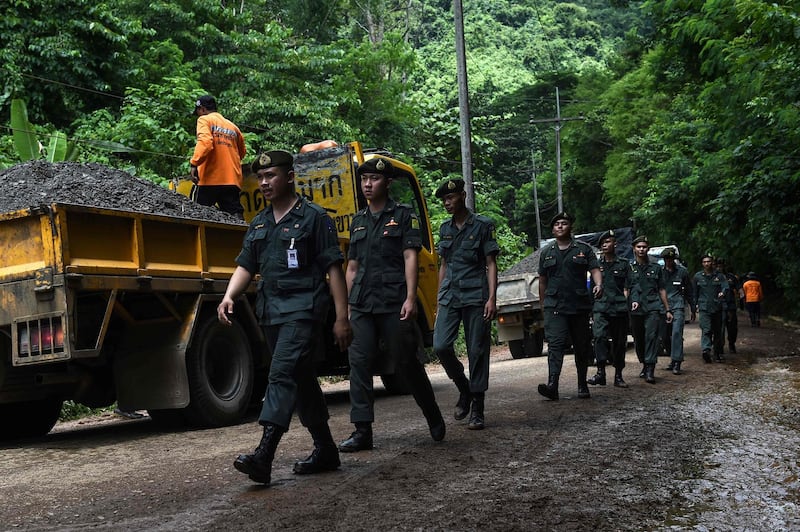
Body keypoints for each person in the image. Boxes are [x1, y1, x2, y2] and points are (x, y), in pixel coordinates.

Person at [219, 150, 352, 486]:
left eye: (271, 176)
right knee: (301, 378)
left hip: (304, 311)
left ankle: (264, 455)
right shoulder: (260, 222)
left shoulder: (314, 218)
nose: (264, 183)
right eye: (261, 178)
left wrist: (341, 317)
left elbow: (333, 269)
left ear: (290, 177)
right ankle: (325, 449)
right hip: (271, 313)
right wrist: (229, 295)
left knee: (280, 375)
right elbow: (246, 265)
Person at [338, 157, 445, 452]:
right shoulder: (358, 221)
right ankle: (362, 431)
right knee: (358, 362)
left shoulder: (402, 214)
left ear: (387, 183)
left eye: (373, 179)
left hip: (393, 301)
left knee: (405, 362)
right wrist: (345, 306)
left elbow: (411, 256)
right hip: (361, 303)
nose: (368, 185)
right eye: (364, 180)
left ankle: (432, 413)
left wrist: (411, 298)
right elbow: (352, 267)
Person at [432, 178, 500, 430]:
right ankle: (464, 388)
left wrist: (492, 298)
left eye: (450, 198)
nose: (447, 203)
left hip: (476, 295)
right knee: (440, 345)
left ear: (462, 196)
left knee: (477, 351)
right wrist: (439, 298)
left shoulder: (483, 225)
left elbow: (491, 263)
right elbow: (444, 265)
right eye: (444, 200)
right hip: (450, 295)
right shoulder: (444, 229)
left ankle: (478, 409)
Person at [537, 212, 602, 400]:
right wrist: (543, 305)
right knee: (555, 345)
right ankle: (552, 385)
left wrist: (599, 284)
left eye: (564, 223)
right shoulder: (547, 252)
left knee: (581, 346)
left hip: (578, 306)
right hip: (554, 306)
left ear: (570, 227)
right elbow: (542, 281)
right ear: (552, 229)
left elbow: (595, 270)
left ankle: (582, 384)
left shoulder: (583, 249)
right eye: (556, 224)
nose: (560, 226)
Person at [189, 94, 247, 219]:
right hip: (231, 181)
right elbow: (241, 153)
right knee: (235, 218)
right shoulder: (233, 127)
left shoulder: (204, 120)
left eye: (198, 112)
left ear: (203, 109)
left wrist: (194, 163)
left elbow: (206, 143)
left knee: (196, 214)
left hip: (209, 180)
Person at [587, 230, 631, 388]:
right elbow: (591, 287)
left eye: (608, 242)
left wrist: (629, 301)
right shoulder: (596, 266)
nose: (605, 245)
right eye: (602, 244)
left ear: (615, 244)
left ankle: (618, 375)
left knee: (619, 343)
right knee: (599, 337)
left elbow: (630, 285)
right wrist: (591, 308)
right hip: (601, 308)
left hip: (619, 308)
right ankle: (600, 372)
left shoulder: (624, 264)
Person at [629, 236, 674, 384]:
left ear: (648, 249)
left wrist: (667, 309)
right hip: (635, 309)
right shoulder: (629, 268)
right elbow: (625, 289)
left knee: (652, 337)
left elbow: (661, 289)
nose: (641, 249)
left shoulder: (656, 268)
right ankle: (644, 362)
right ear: (634, 248)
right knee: (639, 339)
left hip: (653, 307)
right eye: (639, 247)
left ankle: (650, 368)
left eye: (644, 247)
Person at [660, 247, 695, 375]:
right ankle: (672, 357)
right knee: (664, 336)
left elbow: (690, 291)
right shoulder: (659, 272)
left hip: (678, 306)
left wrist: (692, 307)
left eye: (671, 259)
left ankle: (677, 361)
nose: (669, 261)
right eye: (666, 259)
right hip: (663, 307)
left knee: (676, 334)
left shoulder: (682, 272)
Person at [692, 255, 729, 362]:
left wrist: (723, 292)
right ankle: (706, 350)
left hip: (717, 307)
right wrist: (694, 307)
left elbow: (725, 286)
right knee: (706, 329)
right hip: (704, 308)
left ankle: (717, 352)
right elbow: (695, 293)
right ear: (702, 264)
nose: (707, 264)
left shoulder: (719, 276)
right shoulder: (698, 277)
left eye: (708, 261)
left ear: (712, 263)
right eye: (704, 262)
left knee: (718, 331)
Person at [715, 257, 740, 354]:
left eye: (721, 265)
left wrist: (740, 297)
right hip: (718, 306)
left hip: (730, 306)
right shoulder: (713, 277)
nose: (719, 268)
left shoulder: (731, 277)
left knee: (732, 328)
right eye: (718, 266)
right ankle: (719, 347)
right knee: (719, 329)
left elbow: (738, 289)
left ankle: (732, 343)